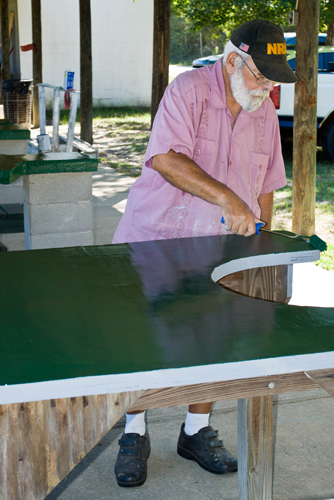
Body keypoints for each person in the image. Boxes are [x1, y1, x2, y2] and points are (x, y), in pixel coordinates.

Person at [112, 19, 297, 487]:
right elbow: (166, 159)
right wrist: (227, 199)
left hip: (222, 250)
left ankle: (196, 429)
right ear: (234, 59)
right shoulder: (188, 90)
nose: (268, 87)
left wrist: (262, 245)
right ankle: (134, 432)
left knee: (213, 338)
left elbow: (267, 185)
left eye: (274, 78)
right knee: (144, 339)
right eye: (262, 75)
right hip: (157, 236)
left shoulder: (261, 110)